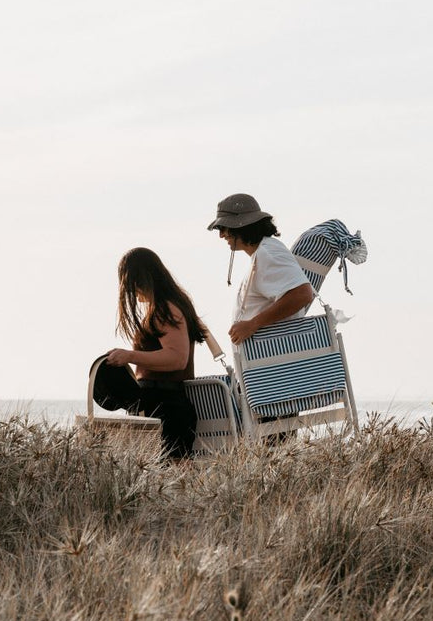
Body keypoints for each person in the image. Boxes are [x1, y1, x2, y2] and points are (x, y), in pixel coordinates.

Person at [91, 247, 208, 461]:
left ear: (138, 279)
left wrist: (130, 356)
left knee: (173, 476)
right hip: (162, 404)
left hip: (166, 406)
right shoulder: (167, 306)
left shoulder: (165, 309)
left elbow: (176, 358)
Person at [206, 193, 315, 344]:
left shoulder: (267, 253)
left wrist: (252, 325)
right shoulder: (264, 252)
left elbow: (302, 294)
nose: (221, 235)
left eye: (223, 228)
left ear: (240, 226)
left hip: (279, 358)